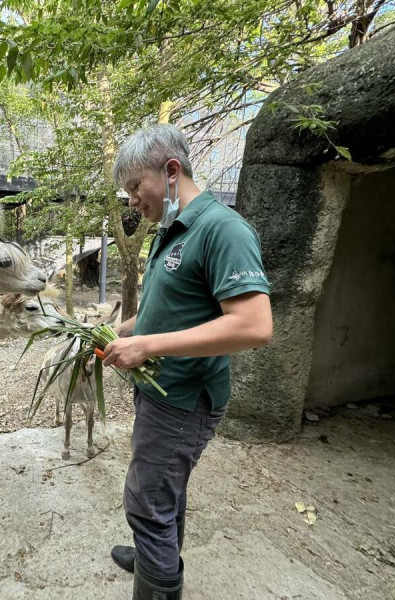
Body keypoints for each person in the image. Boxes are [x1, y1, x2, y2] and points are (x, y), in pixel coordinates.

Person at [101, 124, 273, 600]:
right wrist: (123, 331)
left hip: (184, 397)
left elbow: (255, 325)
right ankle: (152, 554)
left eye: (137, 187)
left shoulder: (223, 229)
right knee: (163, 487)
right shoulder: (170, 230)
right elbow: (167, 307)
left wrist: (149, 348)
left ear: (171, 171)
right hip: (158, 389)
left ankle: (157, 581)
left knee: (147, 497)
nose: (132, 200)